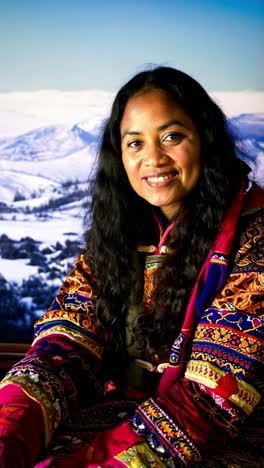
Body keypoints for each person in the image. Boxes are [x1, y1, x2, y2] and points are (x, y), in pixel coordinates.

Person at [0, 66, 263, 468]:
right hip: (122, 410)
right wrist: (11, 431)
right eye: (135, 143)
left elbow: (215, 395)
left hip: (231, 431)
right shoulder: (119, 231)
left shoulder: (255, 234)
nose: (153, 158)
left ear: (205, 139)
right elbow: (66, 343)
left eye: (172, 137)